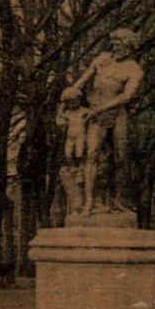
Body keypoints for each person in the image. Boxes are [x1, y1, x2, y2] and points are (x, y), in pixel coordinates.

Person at [68, 27, 145, 213]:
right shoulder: (102, 59)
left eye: (119, 43)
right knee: (91, 154)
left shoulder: (135, 70)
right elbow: (83, 79)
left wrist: (100, 109)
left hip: (117, 115)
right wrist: (73, 90)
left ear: (129, 46)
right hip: (96, 114)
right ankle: (89, 201)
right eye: (114, 43)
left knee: (120, 158)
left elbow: (126, 97)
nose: (115, 46)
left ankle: (117, 200)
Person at [55, 85, 91, 217]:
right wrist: (60, 110)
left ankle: (81, 168)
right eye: (70, 101)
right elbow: (59, 122)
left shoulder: (85, 111)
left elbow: (91, 118)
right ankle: (74, 167)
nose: (74, 103)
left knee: (80, 152)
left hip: (81, 135)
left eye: (76, 100)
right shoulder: (67, 113)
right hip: (71, 136)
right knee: (68, 154)